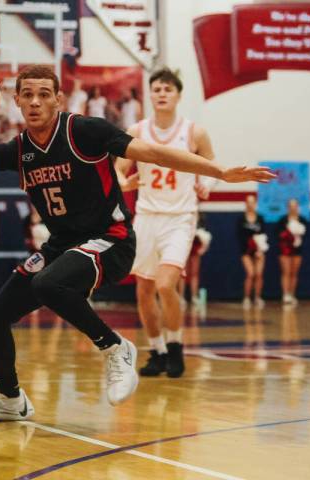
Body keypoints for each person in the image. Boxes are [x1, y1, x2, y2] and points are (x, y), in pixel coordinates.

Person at [0, 65, 274, 422]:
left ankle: (116, 348)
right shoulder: (18, 149)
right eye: (27, 95)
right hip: (62, 247)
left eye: (44, 94)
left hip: (112, 239)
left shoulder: (84, 131)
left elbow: (153, 153)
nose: (35, 102)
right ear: (16, 101)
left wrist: (218, 172)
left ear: (58, 99)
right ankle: (9, 399)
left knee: (48, 283)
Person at [115, 68, 218, 379]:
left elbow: (212, 167)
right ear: (150, 94)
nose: (161, 94)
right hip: (146, 216)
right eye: (157, 89)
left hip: (180, 217)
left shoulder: (194, 132)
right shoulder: (137, 131)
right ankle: (157, 350)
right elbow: (118, 170)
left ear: (178, 95)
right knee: (144, 290)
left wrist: (205, 186)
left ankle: (176, 346)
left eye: (167, 89)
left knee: (164, 284)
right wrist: (125, 184)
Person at [238, 194, 267, 309]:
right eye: (248, 202)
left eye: (252, 202)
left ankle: (258, 297)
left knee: (259, 274)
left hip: (259, 250)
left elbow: (263, 235)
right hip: (246, 251)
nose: (250, 205)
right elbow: (239, 237)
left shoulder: (260, 218)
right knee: (250, 274)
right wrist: (249, 248)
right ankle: (246, 298)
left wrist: (259, 249)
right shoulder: (241, 219)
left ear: (255, 204)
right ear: (246, 204)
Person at [277, 199, 307, 305]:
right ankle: (285, 294)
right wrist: (288, 235)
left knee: (294, 273)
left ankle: (292, 294)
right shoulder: (283, 220)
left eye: (295, 206)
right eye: (291, 206)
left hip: (297, 249)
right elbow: (279, 235)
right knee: (286, 272)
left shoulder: (302, 220)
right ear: (288, 207)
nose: (293, 208)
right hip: (285, 250)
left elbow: (305, 235)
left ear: (297, 207)